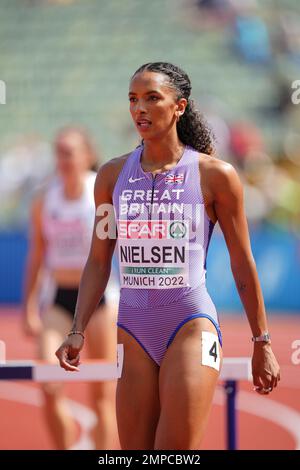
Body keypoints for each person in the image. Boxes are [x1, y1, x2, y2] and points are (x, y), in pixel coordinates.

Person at [55, 63, 280, 450]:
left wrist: (262, 341)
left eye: (151, 98)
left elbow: (243, 262)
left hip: (190, 325)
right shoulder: (111, 177)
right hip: (132, 328)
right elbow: (97, 261)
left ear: (179, 106)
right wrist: (77, 327)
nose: (139, 109)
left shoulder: (215, 175)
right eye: (132, 99)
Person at [23, 127, 117, 450]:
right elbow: (36, 255)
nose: (63, 159)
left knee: (103, 395)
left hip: (100, 301)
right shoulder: (44, 201)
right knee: (49, 384)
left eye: (70, 152)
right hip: (60, 299)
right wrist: (28, 308)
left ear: (87, 155)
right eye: (58, 152)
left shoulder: (102, 194)